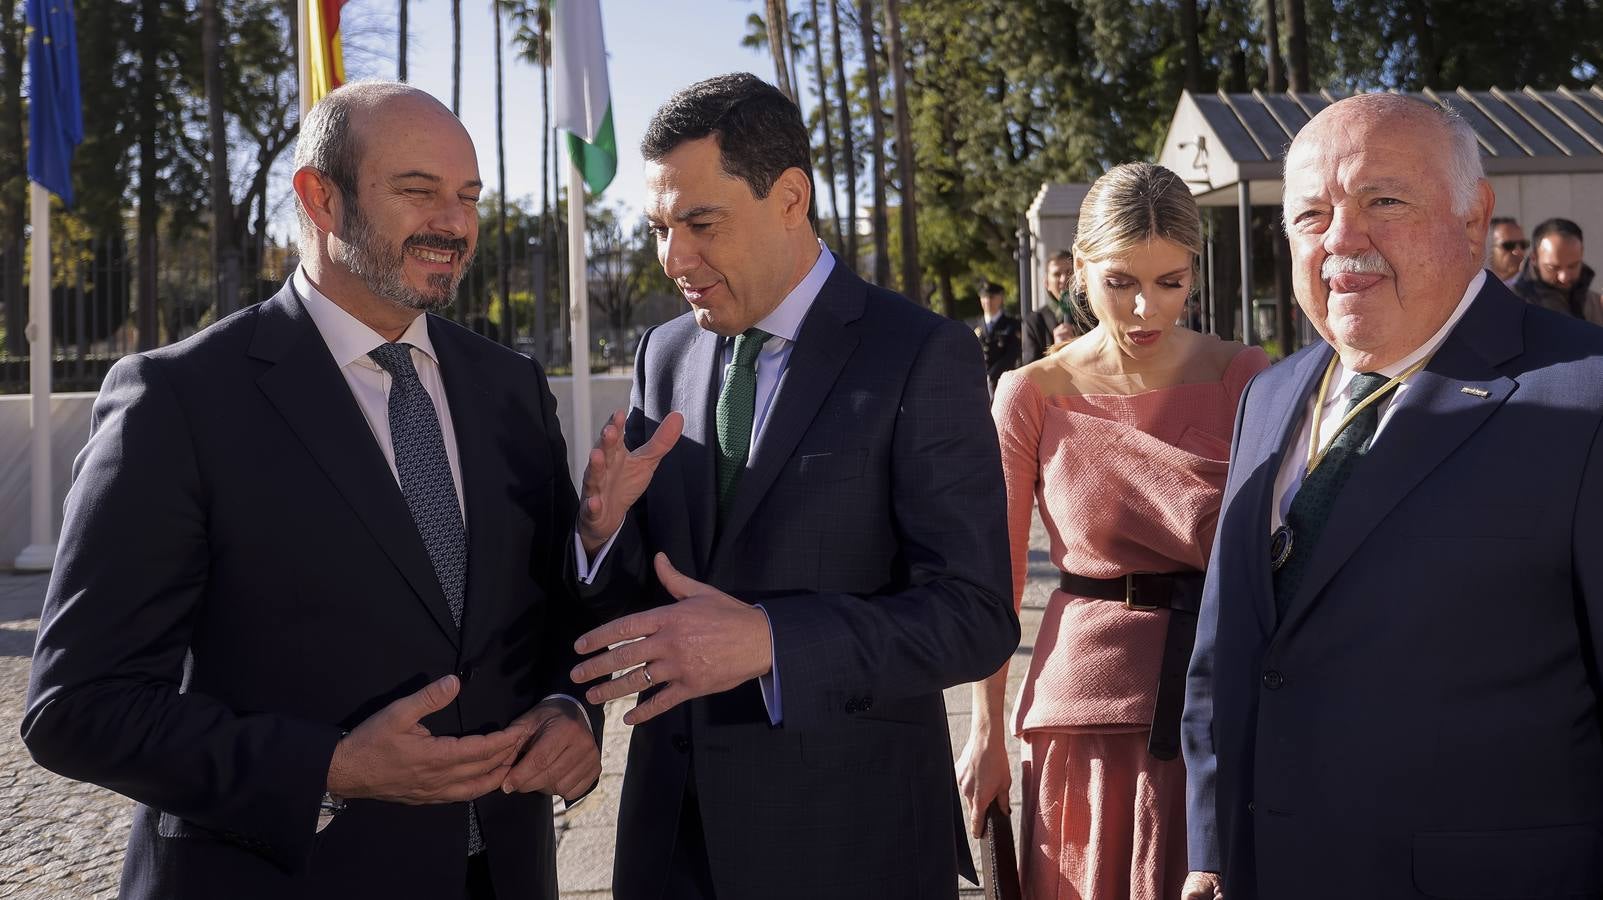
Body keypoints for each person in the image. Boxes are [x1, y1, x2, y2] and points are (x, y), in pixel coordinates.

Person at [21, 82, 601, 900]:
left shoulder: (509, 387)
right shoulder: (178, 401)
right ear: (318, 197)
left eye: (468, 196)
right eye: (417, 191)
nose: (455, 223)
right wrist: (329, 767)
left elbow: (547, 621)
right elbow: (77, 709)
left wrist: (569, 709)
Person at [567, 72, 1019, 900]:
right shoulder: (662, 355)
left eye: (700, 223)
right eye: (660, 228)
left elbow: (976, 616)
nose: (674, 259)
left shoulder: (918, 353)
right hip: (672, 847)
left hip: (850, 843)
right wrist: (601, 535)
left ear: (788, 197)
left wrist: (772, 642)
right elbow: (646, 601)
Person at [1182, 93, 1603, 899]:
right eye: (1309, 215)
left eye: (1382, 200)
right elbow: (1224, 651)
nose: (1341, 240)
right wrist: (1210, 845)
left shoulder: (1583, 397)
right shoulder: (1267, 398)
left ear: (1472, 216)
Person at [957, 162, 1267, 900]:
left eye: (1169, 282)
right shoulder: (1029, 391)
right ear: (1078, 270)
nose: (1142, 308)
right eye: (1119, 281)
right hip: (1081, 709)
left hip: (1220, 699)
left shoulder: (1246, 375)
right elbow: (993, 575)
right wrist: (984, 729)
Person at [1511, 216, 1603, 324]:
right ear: (1534, 258)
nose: (1564, 277)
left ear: (1581, 253)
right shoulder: (1513, 303)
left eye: (1573, 266)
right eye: (1553, 268)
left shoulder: (1596, 304)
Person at [1022, 249, 1094, 361]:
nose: (1064, 279)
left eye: (1069, 272)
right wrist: (1054, 353)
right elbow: (1029, 370)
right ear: (1046, 283)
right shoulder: (1035, 322)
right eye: (1057, 274)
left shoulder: (1094, 313)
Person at [977, 281, 1023, 394]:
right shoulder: (974, 326)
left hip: (1003, 382)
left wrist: (991, 375)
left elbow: (1012, 354)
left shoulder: (1013, 325)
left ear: (1001, 298)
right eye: (984, 297)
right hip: (979, 384)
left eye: (991, 297)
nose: (987, 301)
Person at [1485, 216, 1526, 287]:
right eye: (1508, 245)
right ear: (1488, 247)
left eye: (1523, 245)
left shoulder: (1536, 292)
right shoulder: (1471, 289)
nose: (1517, 251)